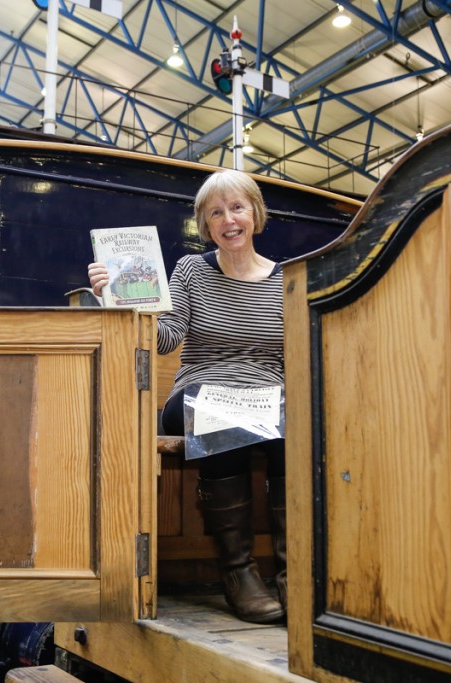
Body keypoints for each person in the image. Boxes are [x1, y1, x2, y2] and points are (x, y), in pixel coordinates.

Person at [88, 169, 286, 624]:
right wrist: (115, 297)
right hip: (199, 390)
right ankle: (238, 573)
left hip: (267, 397)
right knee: (220, 417)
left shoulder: (285, 280)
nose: (228, 219)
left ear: (255, 214)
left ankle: (293, 575)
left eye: (237, 208)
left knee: (298, 429)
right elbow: (164, 338)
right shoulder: (191, 270)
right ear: (205, 225)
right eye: (215, 213)